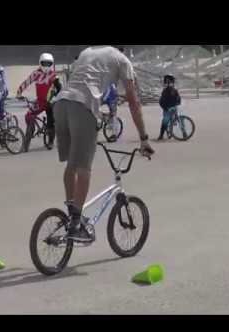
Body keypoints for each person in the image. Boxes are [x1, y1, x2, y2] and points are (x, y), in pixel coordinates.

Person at [52, 45, 155, 241]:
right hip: (82, 106)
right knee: (84, 168)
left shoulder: (88, 52)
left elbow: (81, 80)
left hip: (61, 103)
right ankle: (75, 224)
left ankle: (72, 211)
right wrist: (143, 138)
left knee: (71, 165)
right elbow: (133, 102)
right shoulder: (121, 60)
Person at [16, 53, 61, 149]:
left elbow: (59, 89)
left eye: (49, 64)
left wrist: (54, 98)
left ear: (52, 64)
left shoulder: (54, 75)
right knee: (29, 115)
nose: (46, 66)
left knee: (50, 121)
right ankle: (30, 132)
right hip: (39, 101)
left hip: (50, 102)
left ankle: (51, 141)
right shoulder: (36, 73)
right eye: (44, 63)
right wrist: (19, 92)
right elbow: (26, 82)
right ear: (40, 63)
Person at [158, 74, 181, 141]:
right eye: (167, 82)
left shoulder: (175, 90)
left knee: (178, 119)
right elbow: (161, 101)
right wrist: (165, 108)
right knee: (165, 121)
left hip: (173, 108)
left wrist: (176, 104)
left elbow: (179, 99)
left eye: (170, 82)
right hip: (167, 109)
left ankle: (184, 132)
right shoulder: (165, 91)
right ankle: (161, 135)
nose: (169, 84)